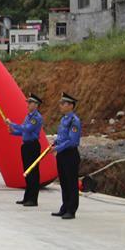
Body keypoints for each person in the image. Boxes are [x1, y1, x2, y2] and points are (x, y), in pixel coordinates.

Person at [6, 93, 44, 207]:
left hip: (33, 146)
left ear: (36, 105)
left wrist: (12, 124)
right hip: (26, 145)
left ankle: (33, 199)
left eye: (30, 102)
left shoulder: (36, 118)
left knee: (33, 172)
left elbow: (27, 128)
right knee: (27, 172)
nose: (28, 105)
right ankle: (27, 197)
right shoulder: (28, 116)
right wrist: (13, 132)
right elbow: (23, 131)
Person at [52, 92, 82, 220]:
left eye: (63, 103)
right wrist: (55, 143)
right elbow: (62, 136)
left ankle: (71, 209)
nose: (61, 106)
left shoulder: (74, 121)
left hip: (70, 154)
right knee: (64, 182)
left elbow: (72, 141)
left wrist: (57, 148)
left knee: (71, 183)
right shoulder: (63, 119)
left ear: (70, 105)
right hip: (62, 154)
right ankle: (64, 207)